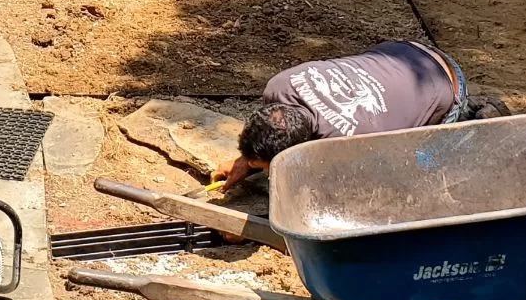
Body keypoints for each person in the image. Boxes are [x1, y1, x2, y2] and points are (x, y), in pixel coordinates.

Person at [213, 40, 506, 190]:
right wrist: (246, 161)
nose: (267, 174)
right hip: (405, 52)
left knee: (419, 171)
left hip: (447, 85)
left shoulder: (349, 148)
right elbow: (276, 129)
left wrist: (253, 228)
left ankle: (473, 117)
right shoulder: (281, 86)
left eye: (269, 168)